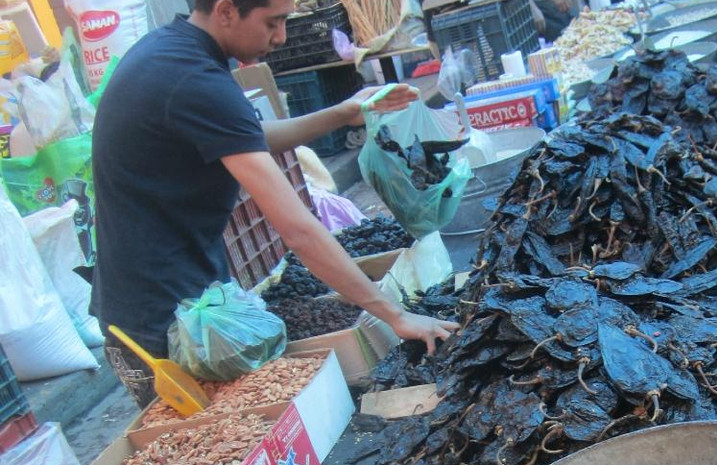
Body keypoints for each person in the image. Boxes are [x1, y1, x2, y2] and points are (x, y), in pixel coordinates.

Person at [90, 0, 458, 407]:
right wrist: (394, 314)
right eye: (274, 22)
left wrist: (342, 113)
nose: (281, 37)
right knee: (217, 442)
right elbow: (298, 229)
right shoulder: (194, 78)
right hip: (157, 316)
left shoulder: (176, 52)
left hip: (182, 287)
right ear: (226, 10)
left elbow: (248, 135)